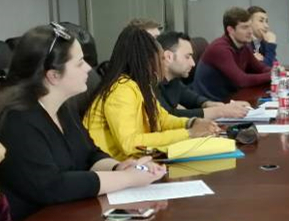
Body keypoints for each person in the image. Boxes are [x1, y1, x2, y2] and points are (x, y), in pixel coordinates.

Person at [0, 24, 167, 221]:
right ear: (53, 75)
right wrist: (127, 179)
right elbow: (51, 186)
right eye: (80, 63)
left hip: (64, 217)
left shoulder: (63, 108)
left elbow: (90, 155)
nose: (89, 68)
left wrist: (119, 167)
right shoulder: (16, 119)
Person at [85, 26, 219, 161]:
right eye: (161, 59)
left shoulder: (142, 85)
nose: (164, 63)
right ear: (147, 61)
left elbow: (161, 119)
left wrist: (191, 123)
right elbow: (129, 143)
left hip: (136, 161)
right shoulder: (121, 90)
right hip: (114, 165)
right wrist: (188, 133)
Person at [157, 31, 251, 120]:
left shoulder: (173, 80)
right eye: (187, 57)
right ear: (168, 57)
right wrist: (220, 111)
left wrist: (210, 104)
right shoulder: (152, 84)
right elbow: (169, 117)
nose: (193, 63)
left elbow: (191, 98)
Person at [191, 7, 271, 102]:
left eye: (250, 26)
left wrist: (278, 72)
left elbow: (260, 68)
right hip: (213, 102)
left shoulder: (244, 46)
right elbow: (242, 80)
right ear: (230, 30)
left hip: (232, 98)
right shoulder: (220, 48)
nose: (250, 31)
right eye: (245, 27)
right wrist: (272, 75)